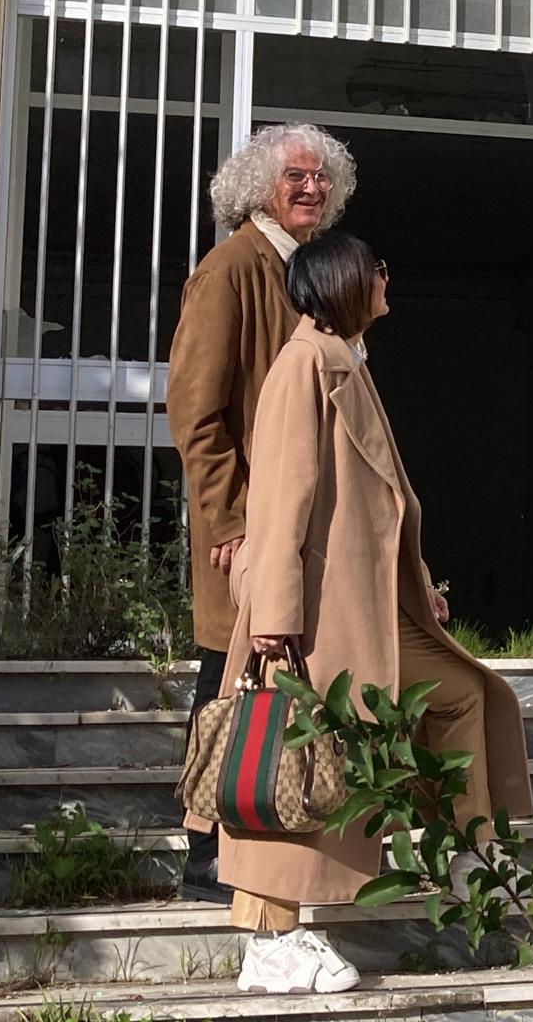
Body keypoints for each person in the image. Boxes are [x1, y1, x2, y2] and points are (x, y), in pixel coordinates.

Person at [212, 231, 533, 995]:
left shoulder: (345, 361)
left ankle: (467, 851)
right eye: (377, 268)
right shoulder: (304, 366)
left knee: (462, 696)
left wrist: (417, 585)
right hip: (312, 615)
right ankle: (268, 940)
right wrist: (274, 615)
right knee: (287, 765)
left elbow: (378, 507)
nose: (388, 278)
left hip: (366, 609)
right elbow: (280, 501)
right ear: (345, 283)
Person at [167, 123, 356, 903]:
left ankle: (255, 845)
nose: (312, 189)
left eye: (322, 178)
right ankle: (205, 854)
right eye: (295, 179)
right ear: (257, 189)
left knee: (262, 681)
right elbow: (195, 410)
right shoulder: (231, 270)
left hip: (289, 535)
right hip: (243, 538)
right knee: (228, 684)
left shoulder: (300, 271)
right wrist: (233, 520)